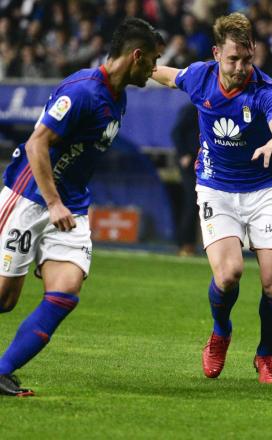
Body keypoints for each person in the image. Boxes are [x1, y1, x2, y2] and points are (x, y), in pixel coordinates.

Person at [0, 18, 162, 397]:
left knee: (65, 290)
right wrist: (53, 201)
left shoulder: (117, 95)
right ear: (136, 57)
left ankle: (2, 370)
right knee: (5, 299)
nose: (155, 69)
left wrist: (63, 203)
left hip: (71, 205)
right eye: (153, 61)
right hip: (31, 198)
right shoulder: (84, 91)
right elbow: (38, 144)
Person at [150, 12, 272, 385]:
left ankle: (266, 355)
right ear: (217, 53)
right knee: (229, 274)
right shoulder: (199, 76)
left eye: (247, 58)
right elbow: (165, 75)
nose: (241, 67)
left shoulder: (267, 89)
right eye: (233, 59)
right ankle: (220, 333)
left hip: (267, 189)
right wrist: (132, 65)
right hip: (217, 186)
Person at [171, 104, 200, 256]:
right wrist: (183, 154)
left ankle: (191, 243)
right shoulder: (192, 109)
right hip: (190, 161)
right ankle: (185, 243)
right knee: (191, 201)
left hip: (203, 160)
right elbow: (176, 132)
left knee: (197, 203)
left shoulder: (214, 107)